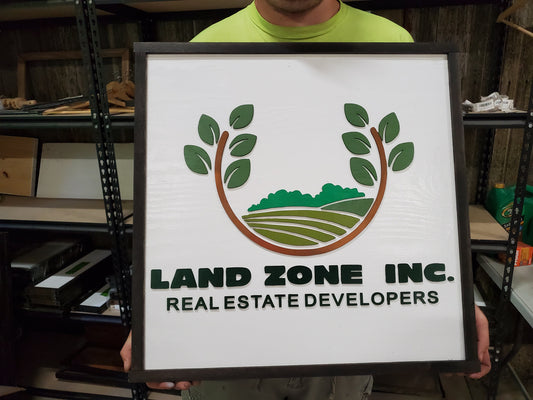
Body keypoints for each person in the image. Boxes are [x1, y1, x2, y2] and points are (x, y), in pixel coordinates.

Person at [121, 0, 491, 398]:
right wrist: (157, 326)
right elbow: (185, 206)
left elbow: (418, 195)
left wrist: (451, 301)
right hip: (233, 338)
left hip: (348, 337)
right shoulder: (202, 51)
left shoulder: (393, 43)